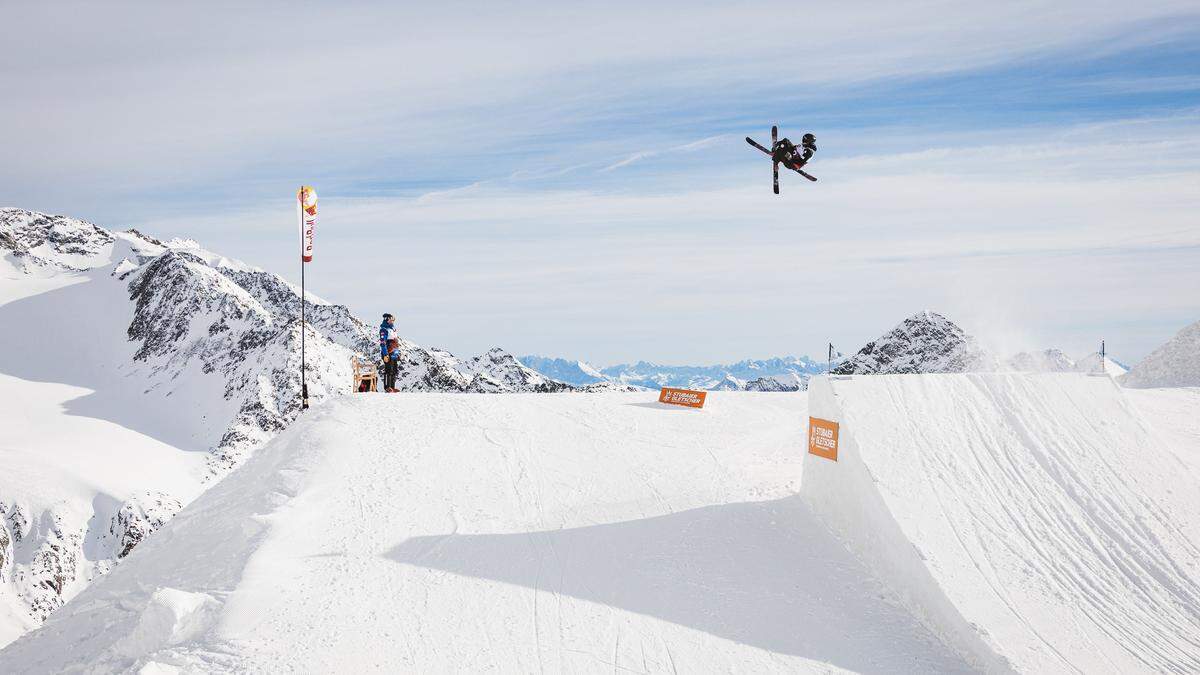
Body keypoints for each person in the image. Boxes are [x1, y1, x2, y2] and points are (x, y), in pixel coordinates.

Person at [379, 313, 400, 393]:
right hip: (388, 352)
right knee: (389, 369)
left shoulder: (392, 329)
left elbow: (395, 342)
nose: (392, 321)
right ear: (387, 320)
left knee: (394, 369)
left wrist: (397, 353)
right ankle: (387, 387)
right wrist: (385, 354)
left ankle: (392, 387)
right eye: (391, 319)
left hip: (394, 351)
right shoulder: (384, 329)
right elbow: (382, 342)